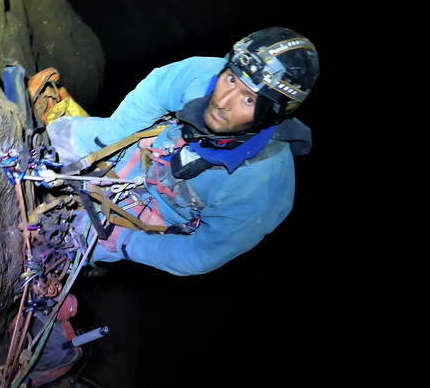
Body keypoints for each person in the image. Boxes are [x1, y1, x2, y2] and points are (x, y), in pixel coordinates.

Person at [45, 26, 319, 276]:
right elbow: (154, 91)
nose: (223, 101)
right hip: (146, 155)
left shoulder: (263, 187)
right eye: (232, 79)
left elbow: (201, 254)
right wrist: (105, 145)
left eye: (248, 99)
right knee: (62, 138)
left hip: (159, 214)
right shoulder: (205, 75)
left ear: (272, 114)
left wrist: (126, 242)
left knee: (76, 242)